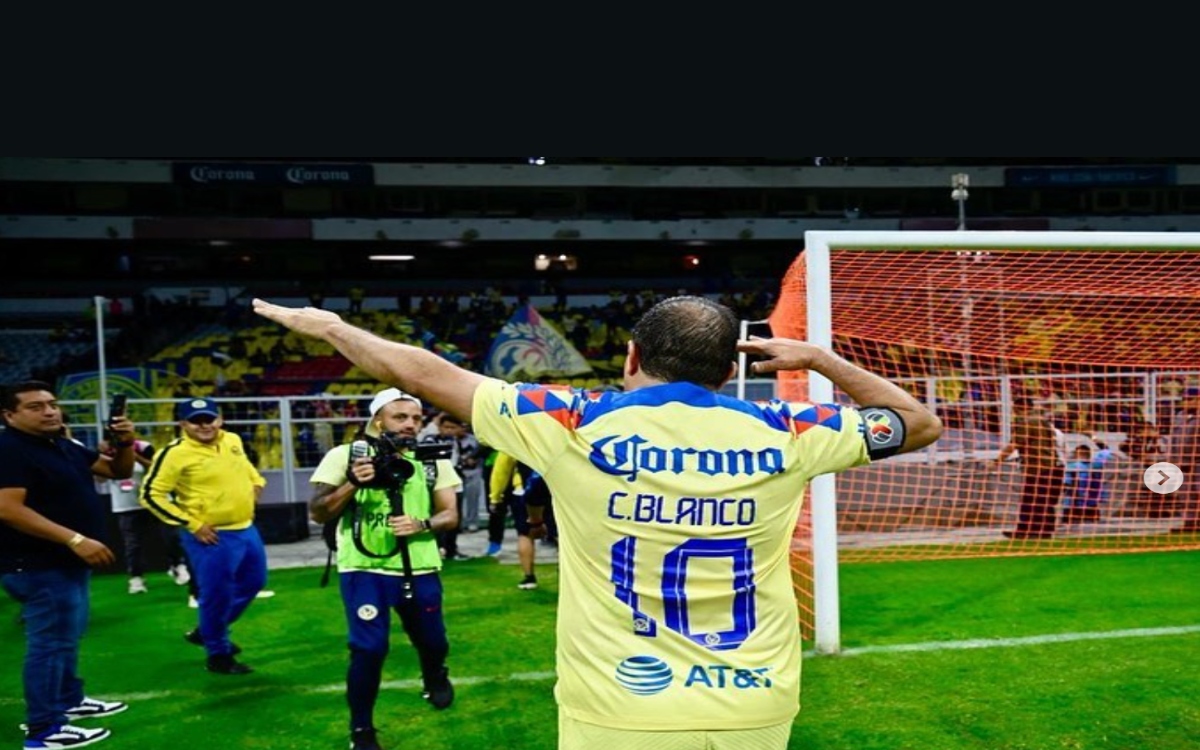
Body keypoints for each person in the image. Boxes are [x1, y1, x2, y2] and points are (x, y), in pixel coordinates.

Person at [252, 294, 942, 750]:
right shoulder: (790, 428)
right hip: (753, 704)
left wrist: (333, 328)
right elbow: (917, 423)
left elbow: (427, 375)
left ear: (632, 356)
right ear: (730, 368)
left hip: (620, 706)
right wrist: (820, 358)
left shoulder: (572, 419)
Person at [308, 388, 462, 750]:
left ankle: (434, 674)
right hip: (364, 568)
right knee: (369, 649)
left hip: (420, 566)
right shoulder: (344, 455)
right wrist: (353, 482)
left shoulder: (430, 460)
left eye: (416, 418)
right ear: (378, 420)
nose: (410, 424)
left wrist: (421, 524)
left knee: (434, 641)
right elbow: (317, 512)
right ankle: (361, 729)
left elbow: (450, 515)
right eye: (400, 417)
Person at [0, 381, 137, 749]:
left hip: (64, 563)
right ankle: (45, 729)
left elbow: (117, 471)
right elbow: (7, 509)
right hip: (37, 564)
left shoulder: (62, 444)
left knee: (66, 637)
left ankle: (69, 701)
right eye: (35, 407)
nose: (49, 411)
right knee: (50, 644)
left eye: (52, 404)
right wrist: (75, 539)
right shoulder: (9, 449)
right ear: (9, 415)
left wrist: (125, 442)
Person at [140, 396, 268, 675]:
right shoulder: (174, 453)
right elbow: (150, 494)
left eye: (209, 419)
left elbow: (248, 469)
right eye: (195, 421)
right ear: (183, 424)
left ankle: (207, 630)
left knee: (254, 582)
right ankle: (218, 654)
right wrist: (192, 524)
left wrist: (257, 483)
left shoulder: (232, 440)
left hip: (245, 527)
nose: (204, 425)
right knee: (216, 594)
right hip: (212, 535)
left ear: (219, 419)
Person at [105, 439, 193, 594]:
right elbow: (100, 476)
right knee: (133, 544)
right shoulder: (108, 452)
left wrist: (136, 457)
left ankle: (178, 565)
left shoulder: (143, 447)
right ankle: (136, 577)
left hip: (157, 502)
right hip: (127, 506)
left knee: (171, 537)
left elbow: (157, 468)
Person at [996, 395, 1066, 540]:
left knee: (1032, 500)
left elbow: (1015, 444)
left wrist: (997, 461)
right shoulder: (1043, 421)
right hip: (1053, 465)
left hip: (1038, 467)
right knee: (1045, 501)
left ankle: (1027, 529)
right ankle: (1045, 530)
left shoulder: (1027, 422)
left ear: (1019, 408)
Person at [487, 452, 549, 589]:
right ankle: (568, 577)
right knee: (561, 534)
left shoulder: (517, 439)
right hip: (554, 487)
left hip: (524, 488)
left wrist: (495, 497)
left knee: (525, 534)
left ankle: (529, 577)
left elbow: (502, 468)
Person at [1168, 386, 1200, 534]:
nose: (1185, 402)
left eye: (1190, 399)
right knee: (1186, 495)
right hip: (1181, 462)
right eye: (1184, 399)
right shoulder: (1180, 416)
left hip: (1197, 461)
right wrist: (1171, 460)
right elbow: (1173, 439)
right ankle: (1190, 522)